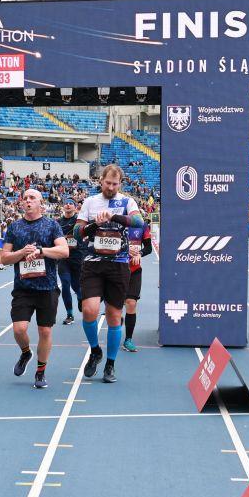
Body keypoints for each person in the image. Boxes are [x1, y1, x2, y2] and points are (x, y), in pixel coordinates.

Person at [74, 164, 143, 384]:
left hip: (118, 265)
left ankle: (110, 363)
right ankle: (95, 351)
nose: (111, 187)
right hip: (93, 264)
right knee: (89, 310)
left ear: (120, 184)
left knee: (114, 316)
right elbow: (77, 232)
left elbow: (139, 222)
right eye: (107, 183)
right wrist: (96, 223)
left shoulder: (127, 202)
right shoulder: (90, 202)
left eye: (115, 184)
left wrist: (114, 217)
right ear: (100, 181)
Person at [0, 189, 68, 389]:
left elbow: (64, 251)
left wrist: (40, 251)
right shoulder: (14, 227)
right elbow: (4, 258)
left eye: (32, 198)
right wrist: (22, 252)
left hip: (47, 287)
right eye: (25, 198)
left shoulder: (52, 225)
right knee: (19, 329)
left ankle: (40, 371)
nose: (28, 201)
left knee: (45, 331)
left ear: (40, 203)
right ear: (21, 203)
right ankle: (26, 352)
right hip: (23, 288)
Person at [122, 215, 154, 352]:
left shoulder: (142, 225)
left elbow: (148, 248)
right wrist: (124, 249)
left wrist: (139, 253)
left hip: (134, 270)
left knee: (131, 303)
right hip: (116, 269)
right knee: (115, 308)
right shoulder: (116, 223)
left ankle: (128, 339)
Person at [56, 198, 84, 325]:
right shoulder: (58, 223)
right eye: (66, 203)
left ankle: (80, 296)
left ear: (75, 207)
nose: (68, 205)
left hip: (77, 257)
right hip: (63, 258)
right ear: (63, 206)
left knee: (76, 286)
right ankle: (70, 314)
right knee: (65, 284)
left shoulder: (80, 221)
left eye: (71, 203)